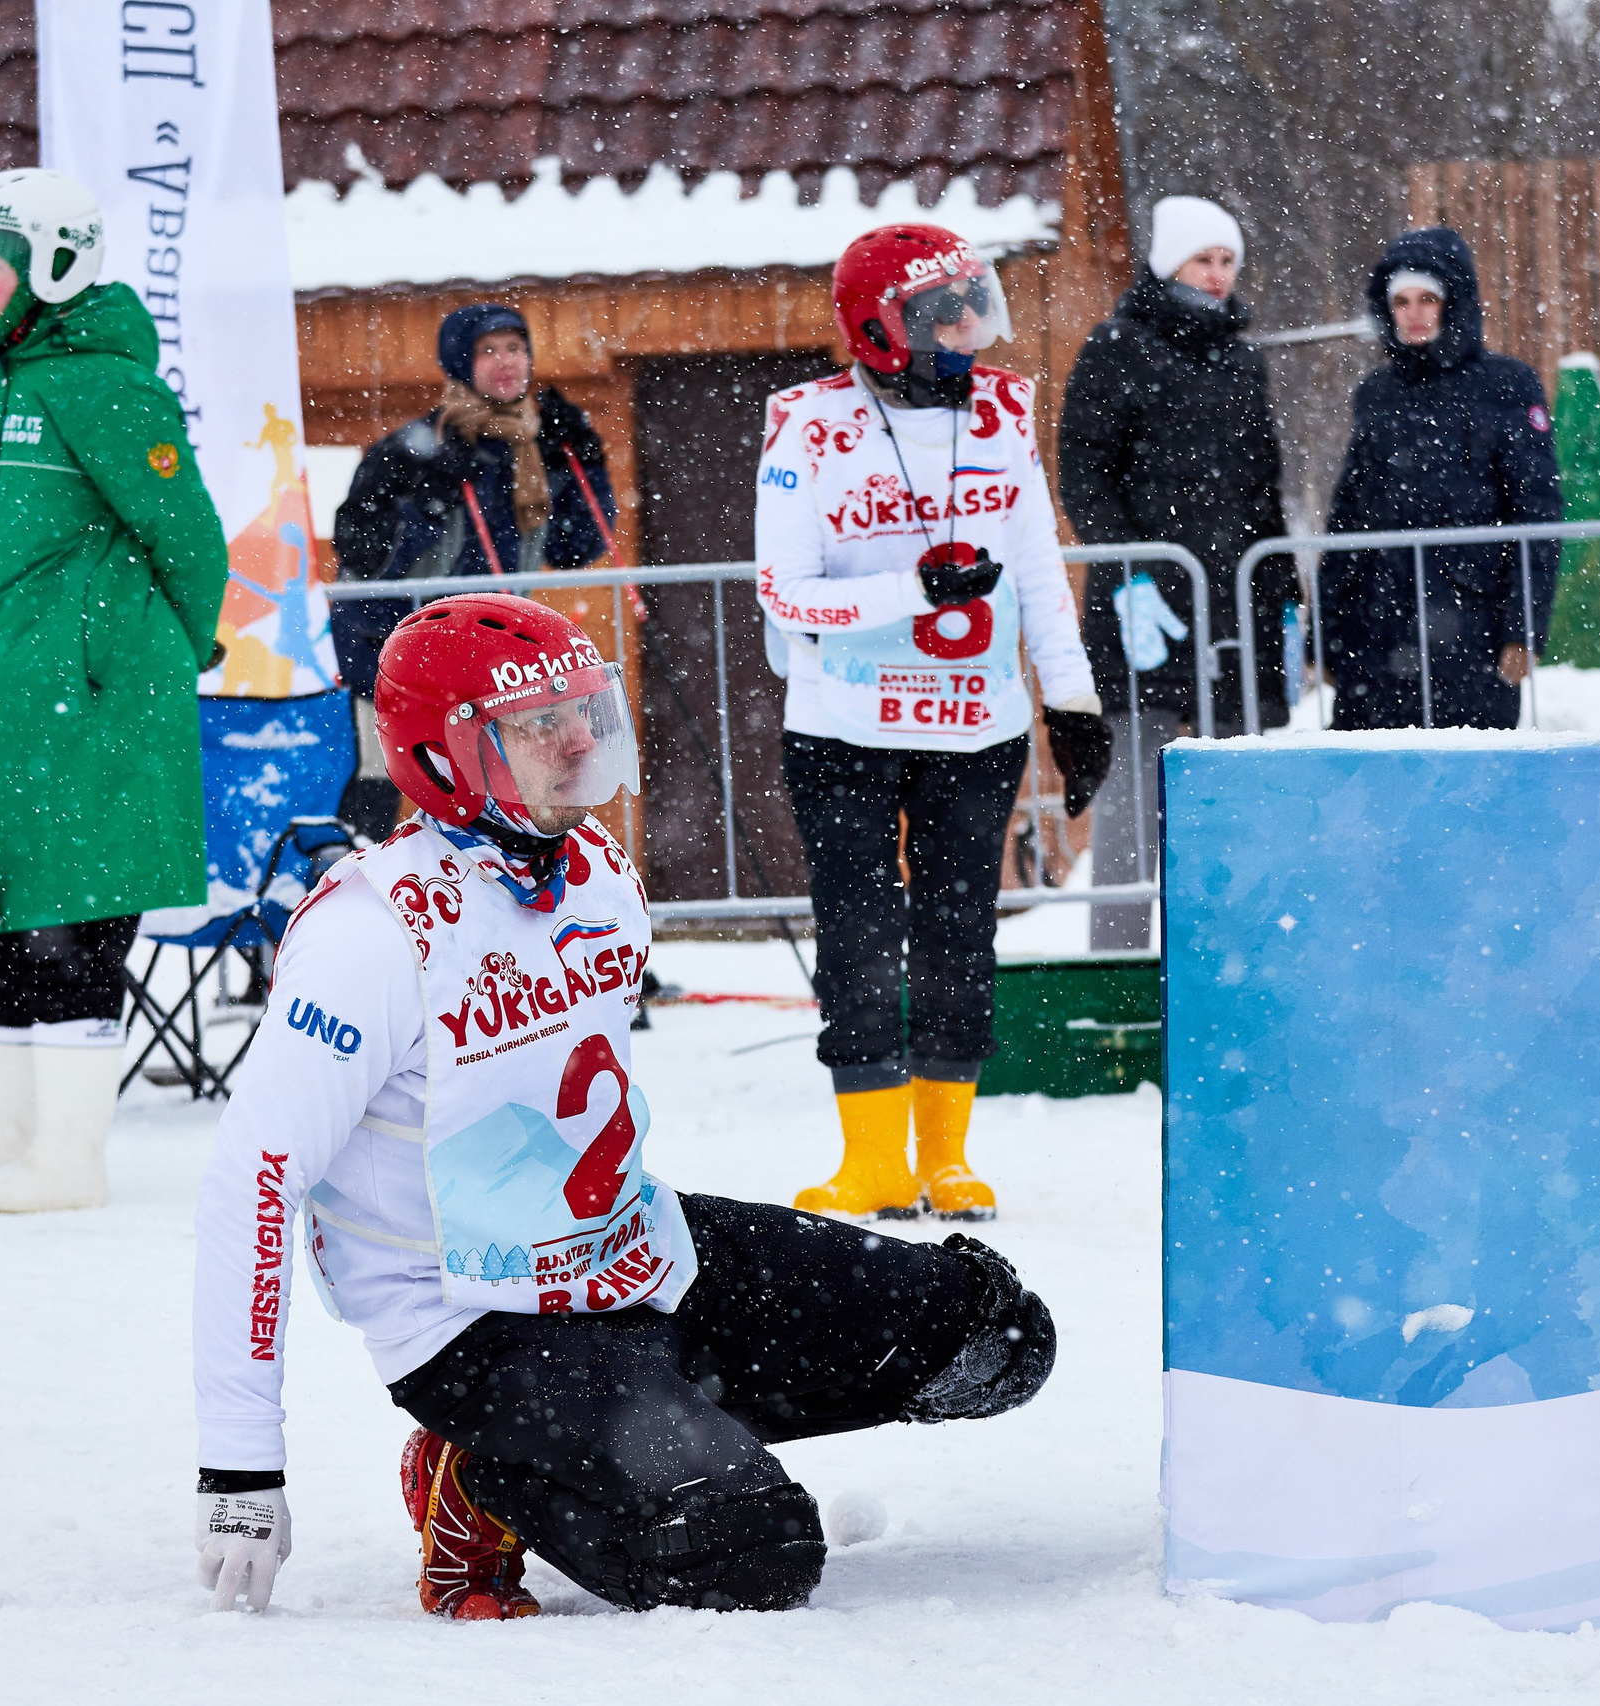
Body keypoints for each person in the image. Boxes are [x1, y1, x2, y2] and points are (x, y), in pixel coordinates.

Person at [188, 593, 1056, 1620]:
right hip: (475, 1321)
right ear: (442, 756)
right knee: (752, 1555)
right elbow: (254, 1176)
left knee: (995, 1337)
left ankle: (647, 1425)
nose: (574, 740)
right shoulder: (370, 933)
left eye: (580, 711)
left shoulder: (597, 871)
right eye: (530, 723)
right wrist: (240, 1465)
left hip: (631, 1255)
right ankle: (484, 1472)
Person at [754, 224, 1114, 1222]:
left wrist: (1072, 699)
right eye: (939, 308)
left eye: (971, 300)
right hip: (839, 726)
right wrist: (906, 591)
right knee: (859, 932)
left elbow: (1038, 568)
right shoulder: (805, 423)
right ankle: (869, 1157)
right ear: (881, 327)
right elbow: (785, 593)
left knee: (959, 929)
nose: (965, 324)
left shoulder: (1002, 411)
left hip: (975, 723)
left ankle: (946, 1152)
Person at [0, 168, 228, 1213]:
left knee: (75, 919)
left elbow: (188, 535)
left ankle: (71, 1154)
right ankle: (13, 1125)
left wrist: (164, 650)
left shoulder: (105, 384)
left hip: (87, 703)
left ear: (54, 263)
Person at [1059, 194, 1291, 952]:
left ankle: (1235, 953)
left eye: (1228, 260)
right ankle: (1117, 961)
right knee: (1130, 798)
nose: (1218, 274)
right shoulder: (1116, 348)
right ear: (1169, 263)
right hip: (1146, 606)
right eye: (1204, 259)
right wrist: (1128, 570)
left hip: (1234, 609)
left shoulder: (1242, 359)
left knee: (1238, 802)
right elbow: (1085, 474)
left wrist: (1283, 592)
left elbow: (1264, 490)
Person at [328, 304, 617, 840]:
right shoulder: (409, 449)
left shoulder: (533, 448)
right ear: (460, 362)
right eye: (488, 351)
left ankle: (484, 894)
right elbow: (362, 559)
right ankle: (348, 894)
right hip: (393, 652)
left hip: (488, 662)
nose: (506, 362)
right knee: (382, 778)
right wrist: (425, 504)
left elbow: (577, 544)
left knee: (491, 783)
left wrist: (590, 464)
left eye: (515, 348)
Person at [1321, 227, 1561, 730]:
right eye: (1401, 301)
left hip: (1470, 623)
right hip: (1377, 627)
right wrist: (1323, 633)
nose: (1414, 313)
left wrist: (1523, 627)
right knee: (1370, 791)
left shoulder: (1507, 384)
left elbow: (1536, 511)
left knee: (1468, 786)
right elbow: (1348, 517)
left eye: (1428, 298)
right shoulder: (1376, 393)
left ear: (1454, 302)